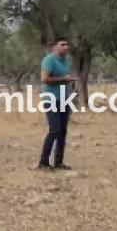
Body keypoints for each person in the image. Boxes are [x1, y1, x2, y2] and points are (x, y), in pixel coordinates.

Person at [38, 36, 75, 169]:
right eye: (62, 44)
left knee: (62, 131)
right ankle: (43, 162)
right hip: (51, 100)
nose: (66, 47)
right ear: (54, 47)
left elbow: (65, 78)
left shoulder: (66, 61)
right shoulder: (49, 60)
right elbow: (44, 79)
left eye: (67, 45)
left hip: (64, 100)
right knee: (54, 130)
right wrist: (64, 80)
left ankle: (59, 162)